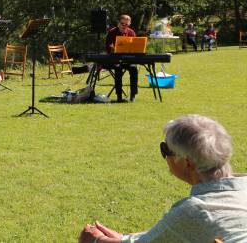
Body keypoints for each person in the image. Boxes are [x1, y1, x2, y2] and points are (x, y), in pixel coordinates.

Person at [78, 114, 247, 243]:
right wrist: (124, 239)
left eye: (165, 149)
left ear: (187, 161)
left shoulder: (196, 210)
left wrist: (96, 239)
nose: (165, 156)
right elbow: (173, 234)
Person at [105, 14, 138, 102]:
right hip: (116, 59)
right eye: (122, 24)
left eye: (126, 24)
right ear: (118, 23)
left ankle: (133, 95)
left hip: (128, 60)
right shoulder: (112, 32)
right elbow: (107, 48)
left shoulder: (131, 33)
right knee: (118, 69)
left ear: (129, 24)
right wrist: (112, 48)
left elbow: (135, 48)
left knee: (134, 69)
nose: (124, 26)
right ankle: (119, 96)